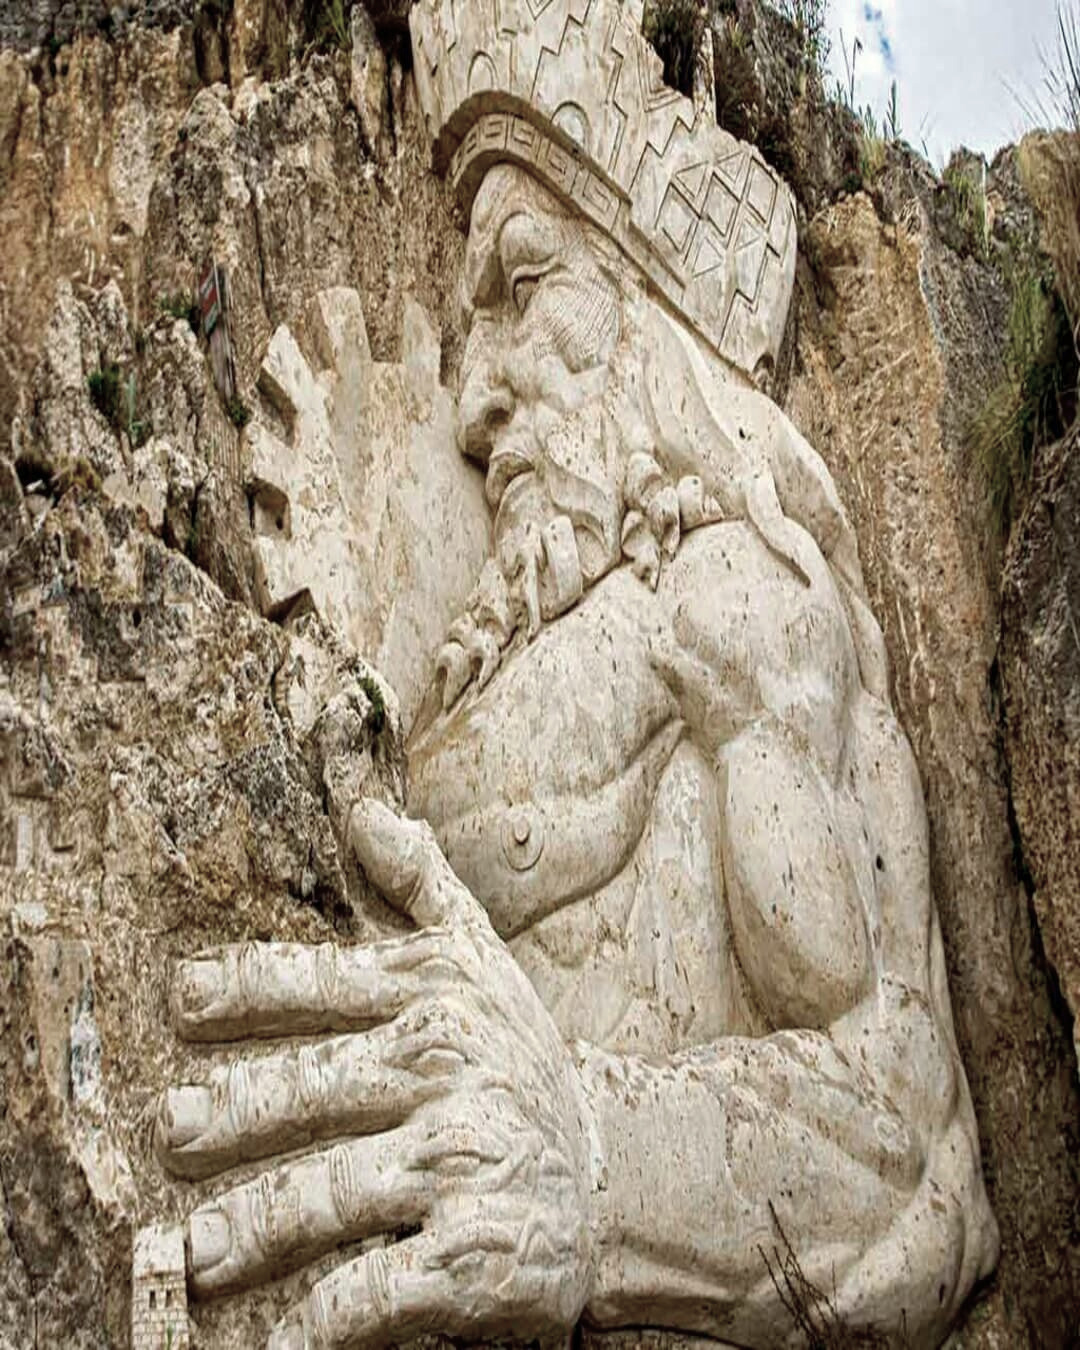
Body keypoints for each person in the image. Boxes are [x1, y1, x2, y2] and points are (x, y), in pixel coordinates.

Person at [155, 157, 998, 1350]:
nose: (476, 401)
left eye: (522, 283)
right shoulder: (526, 653)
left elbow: (905, 1138)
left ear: (654, 318)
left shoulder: (736, 612)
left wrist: (598, 1160)